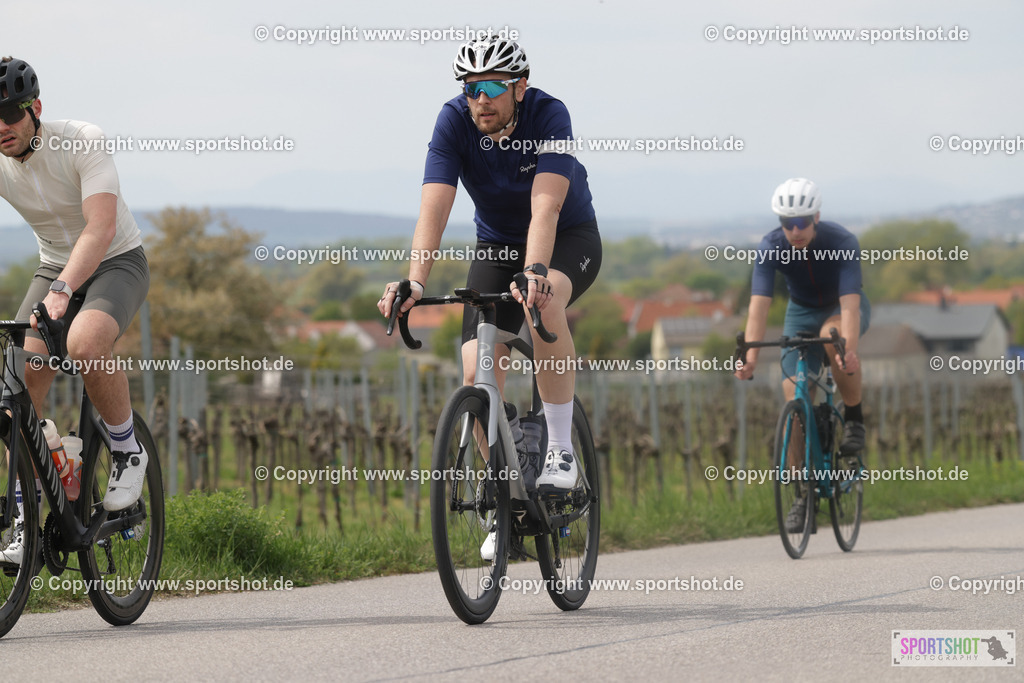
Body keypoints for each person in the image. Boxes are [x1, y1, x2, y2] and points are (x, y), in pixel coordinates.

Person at [378, 37, 602, 557]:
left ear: (519, 88)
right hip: (496, 246)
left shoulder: (549, 115)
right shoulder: (453, 121)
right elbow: (432, 211)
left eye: (492, 87)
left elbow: (545, 209)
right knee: (475, 367)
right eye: (470, 88)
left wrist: (536, 272)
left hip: (566, 239)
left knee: (543, 303)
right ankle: (504, 495)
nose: (479, 99)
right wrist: (414, 280)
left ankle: (561, 450)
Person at [0, 57, 150, 565]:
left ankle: (128, 449)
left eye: (10, 113)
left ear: (34, 109)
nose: (1, 127)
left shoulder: (82, 139)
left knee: (85, 342)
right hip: (53, 267)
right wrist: (56, 283)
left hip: (115, 261)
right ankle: (29, 505)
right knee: (17, 382)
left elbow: (101, 227)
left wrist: (64, 289)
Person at [734, 178, 870, 531]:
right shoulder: (770, 246)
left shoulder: (841, 242)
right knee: (791, 392)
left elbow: (851, 308)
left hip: (840, 310)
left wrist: (848, 351)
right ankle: (803, 493)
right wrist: (749, 354)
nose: (795, 230)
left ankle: (854, 418)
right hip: (801, 310)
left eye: (802, 222)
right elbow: (758, 309)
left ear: (817, 218)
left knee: (832, 339)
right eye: (787, 223)